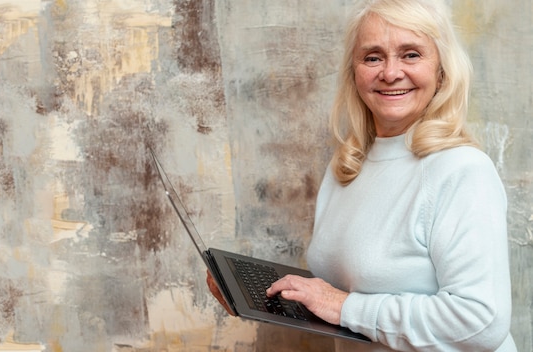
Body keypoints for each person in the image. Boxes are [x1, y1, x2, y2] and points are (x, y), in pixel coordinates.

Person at [207, 0, 517, 351]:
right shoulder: (349, 166)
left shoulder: (462, 169)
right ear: (354, 72)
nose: (390, 72)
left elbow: (480, 322)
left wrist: (343, 306)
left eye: (411, 54)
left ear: (442, 70)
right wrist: (257, 297)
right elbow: (340, 297)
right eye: (373, 57)